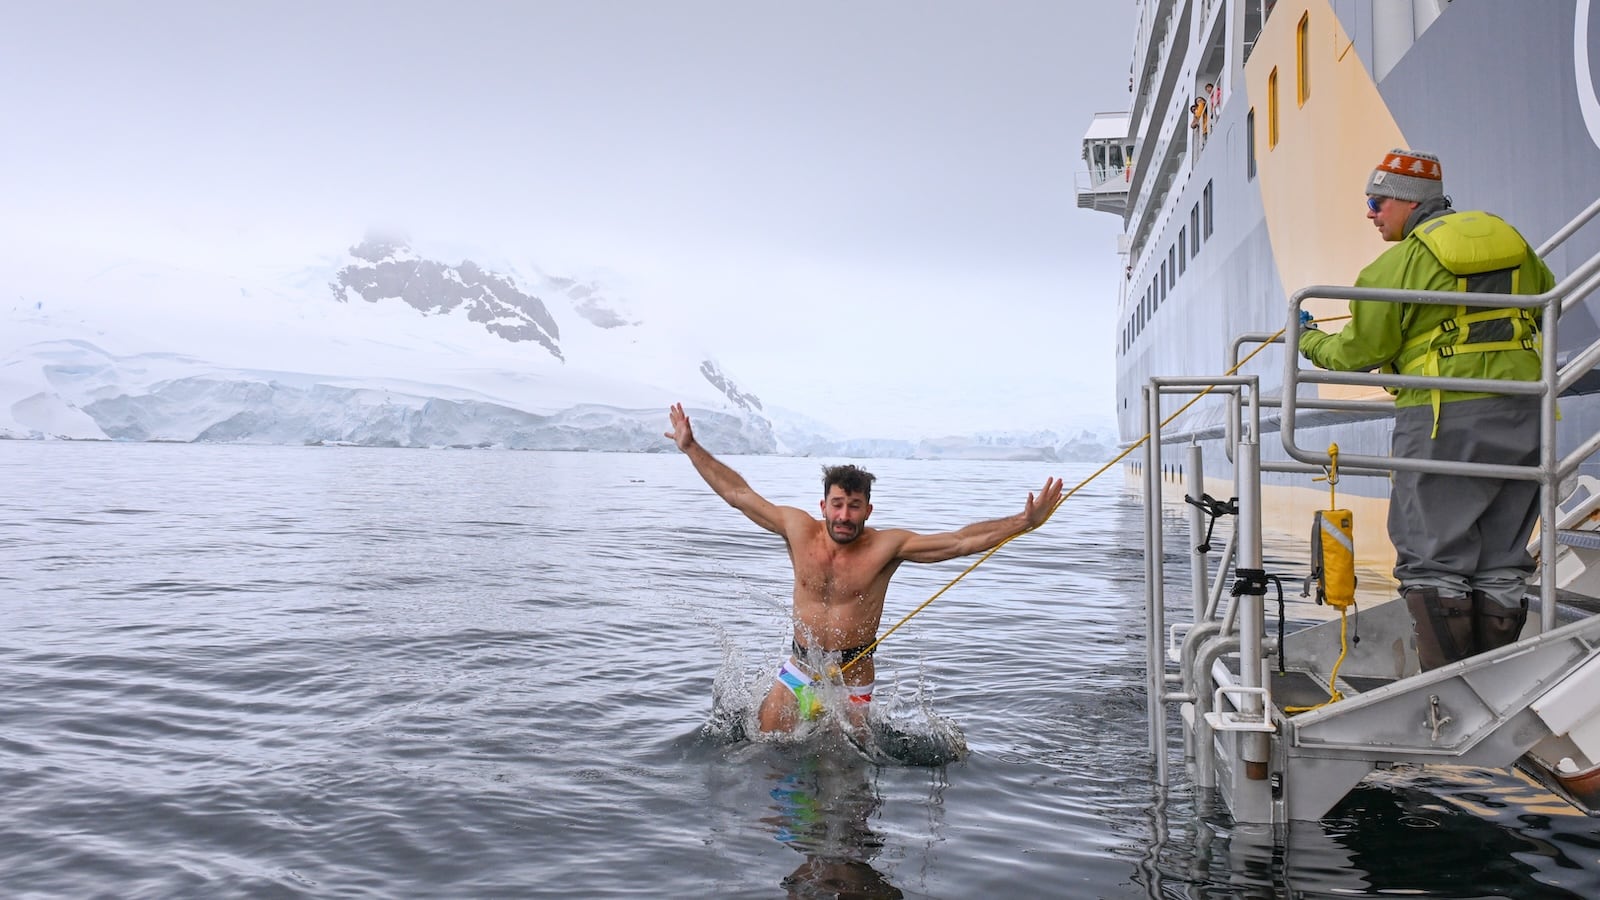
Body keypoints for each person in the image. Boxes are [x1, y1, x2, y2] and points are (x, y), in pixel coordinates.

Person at [1298, 149, 1554, 671]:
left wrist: (1309, 340)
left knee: (1432, 558)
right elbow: (1549, 300)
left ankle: (1445, 694)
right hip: (1526, 415)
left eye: (1376, 202)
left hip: (1441, 419)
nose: (1370, 214)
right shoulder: (1515, 247)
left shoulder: (1397, 264)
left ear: (1408, 204)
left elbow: (1357, 353)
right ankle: (1495, 684)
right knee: (1503, 559)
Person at [665, 403, 1063, 731]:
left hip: (852, 677)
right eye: (837, 505)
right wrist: (691, 447)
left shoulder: (887, 546)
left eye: (854, 507)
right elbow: (738, 494)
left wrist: (1023, 522)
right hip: (802, 666)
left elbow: (959, 541)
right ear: (823, 506)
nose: (844, 515)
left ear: (867, 510)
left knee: (846, 785)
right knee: (768, 755)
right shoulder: (797, 529)